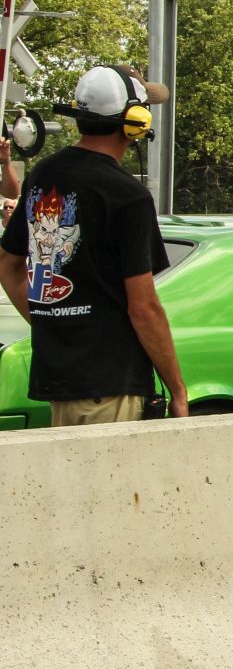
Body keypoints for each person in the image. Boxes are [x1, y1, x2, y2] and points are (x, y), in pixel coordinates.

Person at [0, 65, 188, 424]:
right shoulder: (128, 196)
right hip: (111, 387)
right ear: (134, 121)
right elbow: (144, 308)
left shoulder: (43, 174)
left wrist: (50, 325)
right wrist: (177, 390)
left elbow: (8, 267)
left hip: (57, 383)